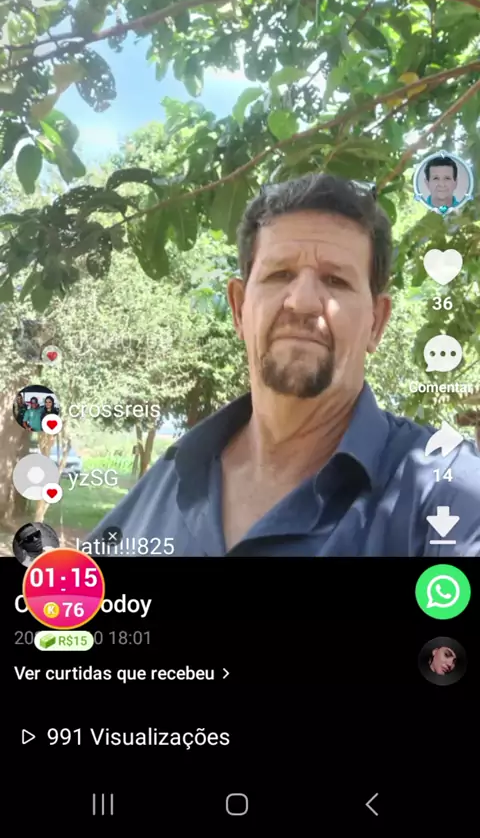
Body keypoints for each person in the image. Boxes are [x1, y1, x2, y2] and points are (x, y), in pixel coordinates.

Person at [87, 173, 480, 556]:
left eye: (336, 281)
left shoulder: (448, 490)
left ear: (376, 323)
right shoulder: (169, 481)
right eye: (279, 275)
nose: (303, 303)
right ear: (239, 308)